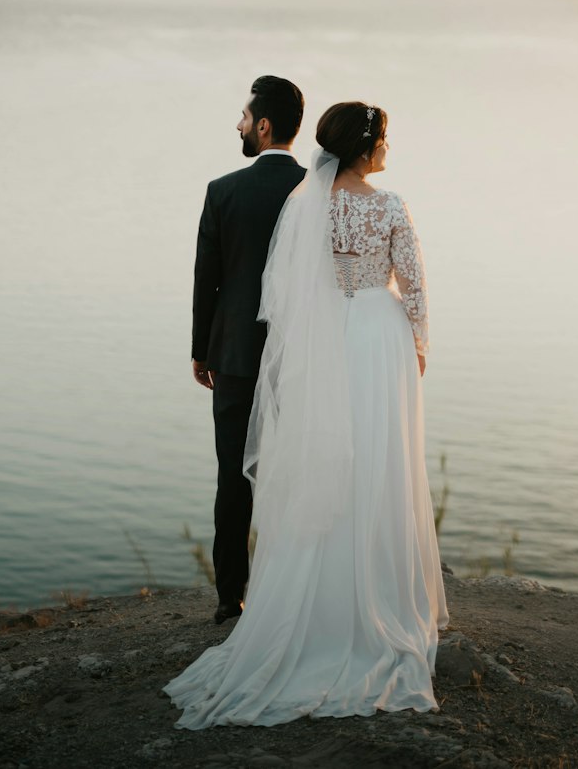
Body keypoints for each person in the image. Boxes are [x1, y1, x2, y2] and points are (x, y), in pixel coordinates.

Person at [164, 100, 448, 728]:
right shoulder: (391, 204)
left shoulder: (307, 205)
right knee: (380, 459)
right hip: (379, 336)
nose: (389, 152)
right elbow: (417, 288)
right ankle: (377, 597)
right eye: (385, 141)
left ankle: (304, 599)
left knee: (329, 455)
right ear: (367, 145)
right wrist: (418, 345)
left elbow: (287, 292)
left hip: (329, 343)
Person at [191, 75, 306, 624]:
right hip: (302, 357)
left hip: (234, 355)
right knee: (301, 470)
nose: (237, 124)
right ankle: (295, 586)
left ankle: (230, 598)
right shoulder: (316, 192)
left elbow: (207, 280)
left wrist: (200, 350)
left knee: (232, 477)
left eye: (242, 115)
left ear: (263, 126)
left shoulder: (223, 190)